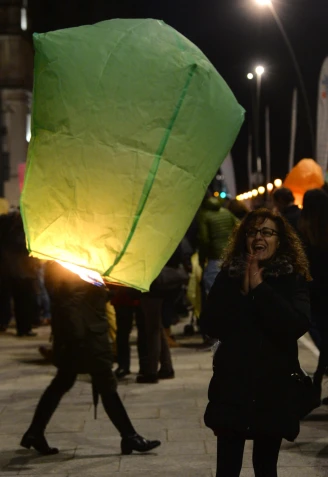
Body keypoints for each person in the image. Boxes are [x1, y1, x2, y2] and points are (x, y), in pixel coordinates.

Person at [201, 208, 312, 477]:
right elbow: (210, 324)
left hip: (272, 389)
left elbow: (296, 324)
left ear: (279, 239)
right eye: (251, 232)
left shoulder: (292, 277)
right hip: (232, 387)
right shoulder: (229, 275)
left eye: (267, 232)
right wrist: (241, 294)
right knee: (227, 468)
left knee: (266, 467)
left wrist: (261, 289)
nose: (258, 237)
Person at [20, 261, 161, 456]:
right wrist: (77, 339)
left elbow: (82, 297)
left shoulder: (76, 261)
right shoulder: (71, 262)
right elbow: (71, 303)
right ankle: (129, 436)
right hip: (87, 338)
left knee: (64, 382)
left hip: (85, 335)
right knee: (105, 384)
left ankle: (34, 432)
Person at [299, 188, 328, 403]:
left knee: (323, 338)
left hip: (314, 293)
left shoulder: (303, 230)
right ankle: (317, 381)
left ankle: (317, 382)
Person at [197, 193, 238, 295]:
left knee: (213, 289)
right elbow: (239, 227)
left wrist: (202, 258)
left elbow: (204, 240)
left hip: (215, 257)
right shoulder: (226, 212)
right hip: (231, 255)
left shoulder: (204, 215)